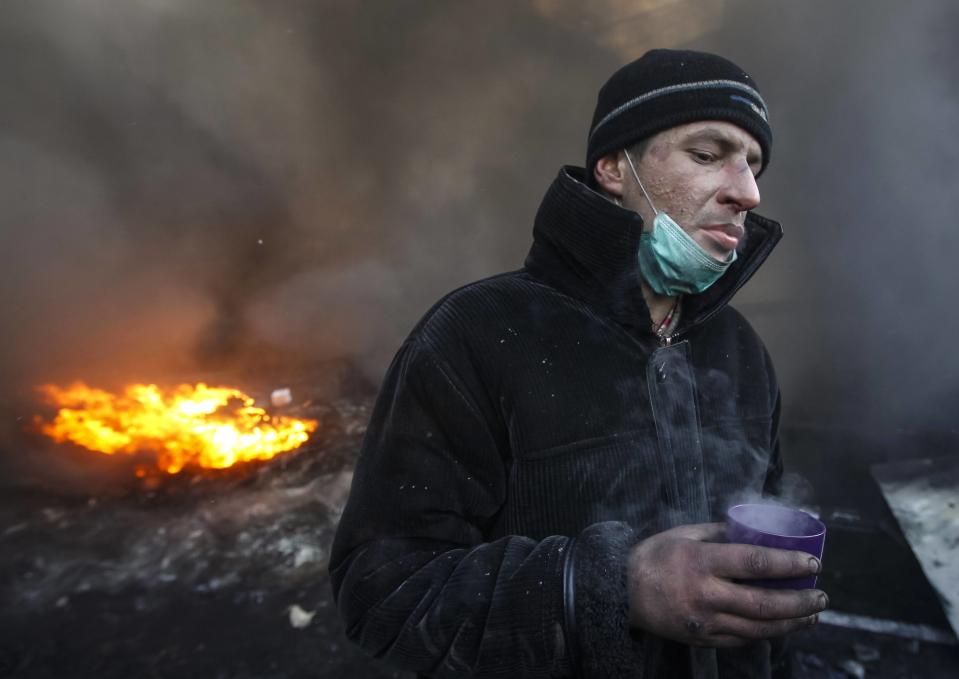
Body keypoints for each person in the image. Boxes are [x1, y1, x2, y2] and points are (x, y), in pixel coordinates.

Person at [329, 48, 828, 678]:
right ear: (615, 167)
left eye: (753, 166)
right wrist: (613, 588)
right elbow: (383, 593)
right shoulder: (477, 333)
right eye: (707, 154)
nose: (748, 193)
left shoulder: (740, 349)